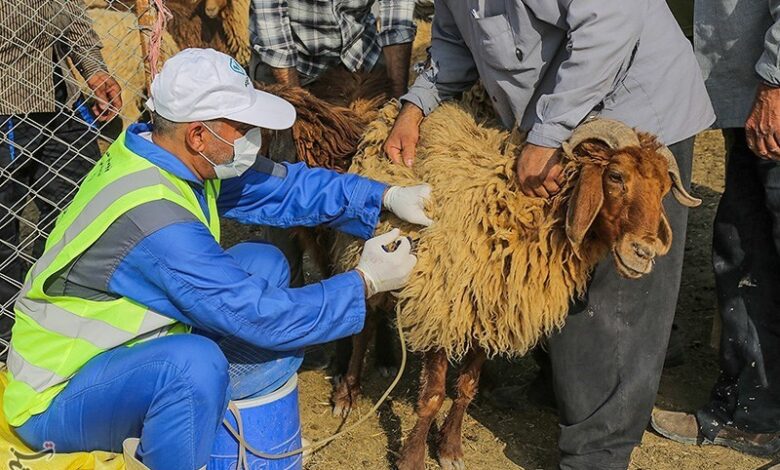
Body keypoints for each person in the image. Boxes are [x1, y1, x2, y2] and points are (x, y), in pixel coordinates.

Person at [3, 48, 433, 469]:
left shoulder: (168, 157)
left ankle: (209, 420)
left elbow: (284, 188)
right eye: (243, 127)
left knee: (263, 261)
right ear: (198, 134)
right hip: (58, 398)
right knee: (193, 366)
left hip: (120, 356)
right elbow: (259, 315)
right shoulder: (153, 219)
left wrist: (383, 196)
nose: (255, 138)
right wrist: (364, 283)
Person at [385, 2, 714, 468]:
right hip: (557, 118)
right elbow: (455, 41)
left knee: (614, 296)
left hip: (632, 113)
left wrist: (547, 135)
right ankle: (560, 388)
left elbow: (610, 24)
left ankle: (598, 450)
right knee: (551, 259)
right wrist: (415, 106)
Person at [651, 0, 780, 455]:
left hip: (770, 96)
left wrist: (776, 82)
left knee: (749, 250)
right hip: (749, 94)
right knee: (747, 244)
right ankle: (754, 411)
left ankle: (752, 417)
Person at [0, 0, 122, 355]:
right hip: (7, 105)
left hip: (62, 103)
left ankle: (56, 313)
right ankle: (9, 338)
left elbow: (72, 14)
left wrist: (94, 70)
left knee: (79, 210)